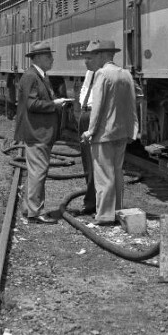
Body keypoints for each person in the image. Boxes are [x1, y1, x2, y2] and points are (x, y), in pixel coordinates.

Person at [79, 39, 136, 226]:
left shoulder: (102, 74)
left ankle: (104, 215)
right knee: (117, 173)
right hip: (121, 133)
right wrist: (133, 129)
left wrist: (90, 131)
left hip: (103, 134)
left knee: (104, 176)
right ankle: (118, 211)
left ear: (103, 55)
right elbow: (133, 105)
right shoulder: (126, 74)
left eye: (94, 55)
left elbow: (97, 107)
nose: (92, 59)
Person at [15, 41, 72, 224]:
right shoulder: (32, 76)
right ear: (38, 58)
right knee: (39, 172)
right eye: (48, 56)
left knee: (35, 172)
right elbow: (32, 104)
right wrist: (54, 104)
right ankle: (35, 212)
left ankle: (28, 208)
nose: (52, 59)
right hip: (37, 132)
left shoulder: (38, 76)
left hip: (38, 132)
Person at [74, 54, 99, 216]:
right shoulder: (91, 72)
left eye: (89, 58)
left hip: (93, 117)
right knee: (87, 162)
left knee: (94, 163)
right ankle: (92, 200)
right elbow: (85, 89)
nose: (85, 61)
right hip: (86, 114)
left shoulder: (104, 74)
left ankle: (93, 202)